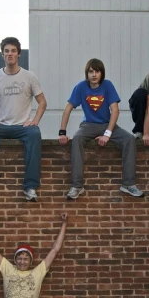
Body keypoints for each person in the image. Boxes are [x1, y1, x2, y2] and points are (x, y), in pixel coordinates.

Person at [58, 58, 143, 200]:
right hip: (88, 125)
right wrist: (62, 132)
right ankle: (77, 186)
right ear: (87, 73)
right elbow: (68, 109)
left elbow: (115, 111)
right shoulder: (81, 87)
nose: (94, 74)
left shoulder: (107, 85)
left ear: (102, 73)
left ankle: (128, 184)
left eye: (97, 71)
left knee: (129, 139)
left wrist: (107, 134)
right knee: (77, 139)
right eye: (91, 71)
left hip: (108, 125)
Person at [0, 37, 47, 202]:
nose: (10, 54)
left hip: (23, 126)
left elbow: (42, 102)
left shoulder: (29, 76)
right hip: (0, 125)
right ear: (2, 54)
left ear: (19, 54)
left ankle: (30, 187)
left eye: (13, 51)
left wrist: (34, 121)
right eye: (6, 51)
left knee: (35, 135)